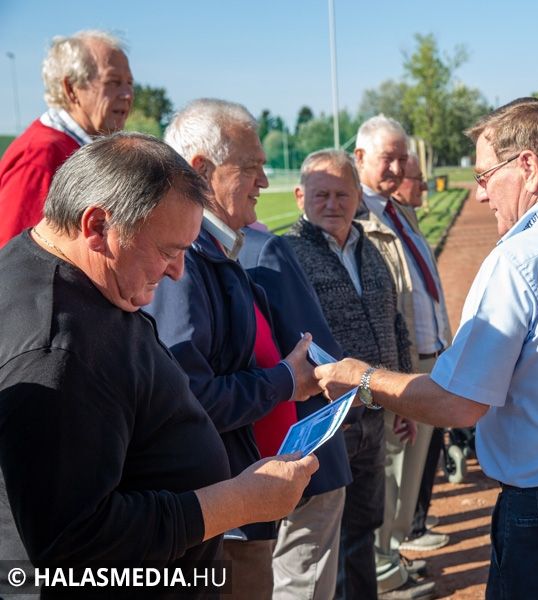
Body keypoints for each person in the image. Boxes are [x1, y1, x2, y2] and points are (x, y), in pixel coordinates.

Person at [316, 97, 538, 599]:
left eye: (485, 177)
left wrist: (362, 378)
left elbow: (458, 402)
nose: (482, 195)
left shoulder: (521, 258)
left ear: (527, 166)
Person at [0, 133, 318, 598]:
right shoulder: (56, 351)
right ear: (97, 226)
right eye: (168, 251)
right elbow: (73, 548)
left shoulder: (71, 273)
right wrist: (237, 502)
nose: (177, 272)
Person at [146, 99, 319, 600]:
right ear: (200, 171)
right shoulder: (184, 262)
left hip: (234, 503)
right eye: (251, 168)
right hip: (219, 517)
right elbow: (190, 397)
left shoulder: (213, 248)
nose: (264, 182)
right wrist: (286, 380)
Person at [282, 149, 433, 600]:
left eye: (342, 193)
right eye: (321, 194)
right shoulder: (288, 254)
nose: (332, 203)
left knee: (364, 527)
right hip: (327, 419)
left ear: (357, 197)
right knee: (329, 539)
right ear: (299, 196)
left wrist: (403, 397)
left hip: (374, 412)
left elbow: (395, 322)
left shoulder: (370, 248)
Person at [354, 116, 452, 594]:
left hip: (429, 359)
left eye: (400, 157)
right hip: (400, 368)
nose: (395, 166)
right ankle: (383, 570)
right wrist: (391, 375)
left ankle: (391, 558)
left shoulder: (398, 211)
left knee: (409, 474)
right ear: (359, 160)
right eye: (385, 158)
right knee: (390, 474)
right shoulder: (356, 218)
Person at [238, 225, 354, 600]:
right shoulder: (261, 247)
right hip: (303, 443)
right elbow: (318, 352)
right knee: (302, 580)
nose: (264, 180)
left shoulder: (176, 254)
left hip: (239, 462)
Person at [0, 30, 133, 247]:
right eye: (113, 82)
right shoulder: (40, 155)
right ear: (71, 89)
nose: (127, 94)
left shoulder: (78, 149)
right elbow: (11, 255)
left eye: (130, 83)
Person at [391, 153, 451, 554]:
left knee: (428, 450)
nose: (424, 187)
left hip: (435, 351)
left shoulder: (407, 220)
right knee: (404, 460)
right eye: (418, 180)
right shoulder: (384, 223)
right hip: (412, 357)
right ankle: (404, 536)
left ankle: (412, 526)